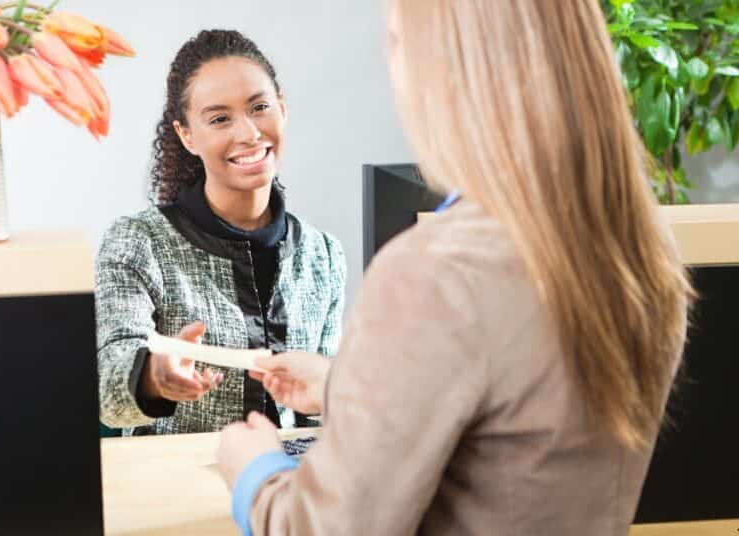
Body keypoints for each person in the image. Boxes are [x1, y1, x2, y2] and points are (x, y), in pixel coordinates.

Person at [216, 0, 694, 534]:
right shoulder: (639, 246)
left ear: (444, 69)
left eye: (398, 45)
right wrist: (344, 387)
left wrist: (254, 468)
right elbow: (521, 426)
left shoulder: (437, 272)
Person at [95, 29, 346, 436]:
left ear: (281, 109)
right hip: (176, 492)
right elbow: (108, 391)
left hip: (288, 489)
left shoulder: (324, 254)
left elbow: (323, 415)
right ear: (187, 135)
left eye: (259, 107)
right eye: (219, 119)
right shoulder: (138, 242)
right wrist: (154, 377)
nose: (248, 133)